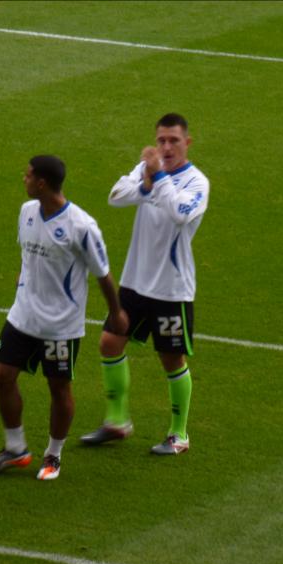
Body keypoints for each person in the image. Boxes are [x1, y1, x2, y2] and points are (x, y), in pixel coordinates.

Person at [0, 155, 128, 480]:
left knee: (59, 387)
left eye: (28, 174)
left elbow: (103, 275)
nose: (24, 178)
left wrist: (116, 313)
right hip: (22, 316)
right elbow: (26, 258)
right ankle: (16, 449)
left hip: (61, 325)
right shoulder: (26, 212)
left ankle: (53, 455)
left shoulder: (81, 226)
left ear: (42, 182)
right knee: (2, 376)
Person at [80, 113, 209, 455]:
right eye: (161, 140)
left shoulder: (197, 183)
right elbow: (115, 196)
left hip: (171, 288)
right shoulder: (147, 172)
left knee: (171, 359)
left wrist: (159, 177)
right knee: (109, 342)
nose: (166, 147)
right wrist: (146, 182)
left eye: (173, 141)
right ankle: (117, 421)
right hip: (134, 282)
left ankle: (178, 435)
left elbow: (181, 213)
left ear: (187, 143)